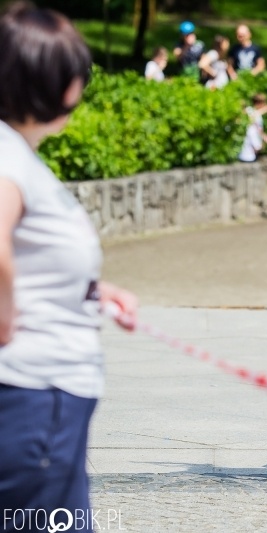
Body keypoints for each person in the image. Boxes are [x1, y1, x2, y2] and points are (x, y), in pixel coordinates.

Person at [0, 2, 138, 525]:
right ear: (61, 86)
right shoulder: (7, 156)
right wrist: (4, 320)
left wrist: (91, 291)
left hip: (43, 399)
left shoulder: (15, 153)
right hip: (32, 398)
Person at [238, 93, 267, 162]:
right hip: (248, 151)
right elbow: (251, 131)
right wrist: (257, 145)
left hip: (253, 149)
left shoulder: (256, 113)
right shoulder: (250, 111)